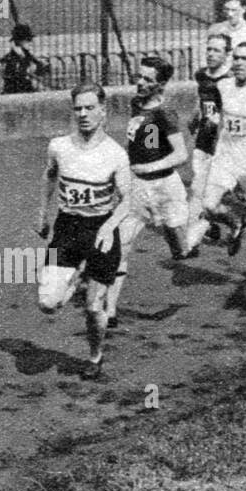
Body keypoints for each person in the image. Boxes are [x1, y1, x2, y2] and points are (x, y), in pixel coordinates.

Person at [36, 83, 133, 380]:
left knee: (93, 307)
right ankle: (75, 276)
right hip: (67, 227)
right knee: (48, 303)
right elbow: (50, 174)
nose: (83, 114)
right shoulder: (59, 146)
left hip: (100, 230)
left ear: (103, 111)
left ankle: (95, 356)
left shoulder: (116, 155)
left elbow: (128, 200)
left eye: (90, 108)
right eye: (78, 108)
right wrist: (42, 212)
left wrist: (108, 227)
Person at [186, 42, 246, 284]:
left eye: (244, 59)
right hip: (226, 157)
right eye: (236, 58)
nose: (239, 63)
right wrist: (202, 120)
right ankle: (236, 219)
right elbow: (212, 111)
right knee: (207, 205)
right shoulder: (223, 86)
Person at [105, 56, 192, 325]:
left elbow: (181, 154)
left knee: (181, 251)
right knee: (120, 245)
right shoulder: (136, 104)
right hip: (139, 188)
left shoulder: (166, 113)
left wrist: (151, 165)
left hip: (165, 187)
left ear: (161, 83)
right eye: (139, 77)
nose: (139, 83)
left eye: (147, 79)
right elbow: (143, 139)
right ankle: (109, 311)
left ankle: (203, 224)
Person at [185, 32, 232, 246]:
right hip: (203, 138)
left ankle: (197, 233)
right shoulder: (201, 75)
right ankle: (212, 225)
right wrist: (195, 117)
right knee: (200, 186)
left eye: (217, 50)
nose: (211, 54)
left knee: (201, 189)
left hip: (222, 142)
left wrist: (219, 118)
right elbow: (201, 99)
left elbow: (235, 110)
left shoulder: (230, 80)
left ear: (227, 54)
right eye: (209, 49)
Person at [0, 23, 51, 94]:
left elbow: (41, 69)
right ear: (19, 41)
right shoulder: (12, 58)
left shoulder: (27, 54)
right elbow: (18, 78)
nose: (30, 42)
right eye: (27, 40)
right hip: (16, 93)